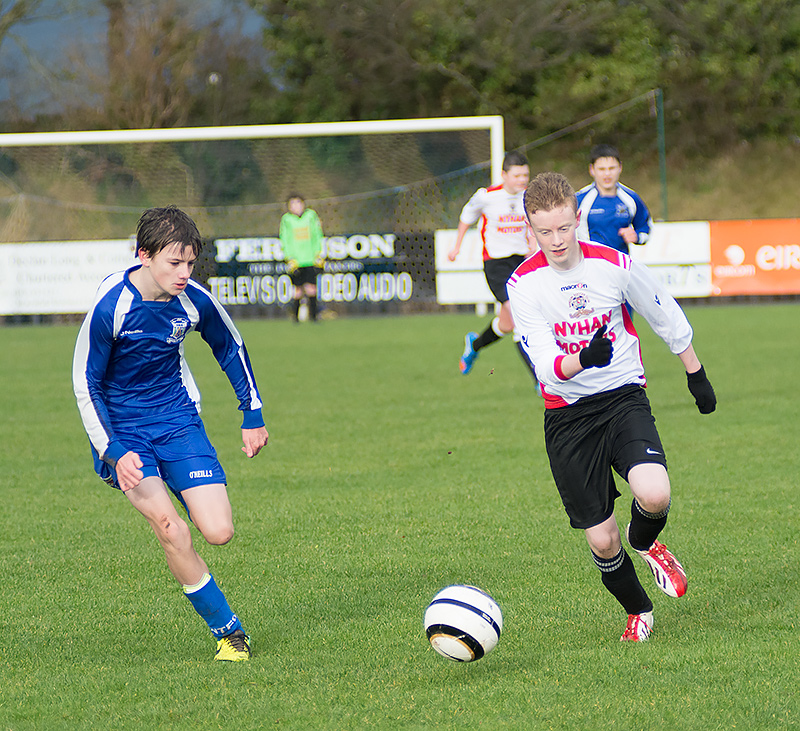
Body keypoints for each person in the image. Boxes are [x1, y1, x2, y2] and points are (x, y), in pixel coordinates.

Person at [507, 172, 716, 642]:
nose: (557, 240)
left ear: (577, 218)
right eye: (545, 232)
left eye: (564, 228)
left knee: (655, 493)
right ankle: (639, 610)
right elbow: (543, 365)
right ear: (530, 230)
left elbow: (661, 309)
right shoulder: (523, 285)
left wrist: (695, 371)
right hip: (567, 415)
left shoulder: (612, 264)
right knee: (602, 539)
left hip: (623, 397)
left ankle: (646, 541)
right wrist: (582, 358)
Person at [72, 205, 269, 662]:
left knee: (218, 531)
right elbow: (86, 382)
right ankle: (229, 632)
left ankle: (181, 484)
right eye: (173, 263)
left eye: (190, 263)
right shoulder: (112, 306)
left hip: (177, 419)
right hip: (123, 431)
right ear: (144, 255)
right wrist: (112, 449)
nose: (184, 273)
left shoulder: (192, 299)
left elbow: (230, 346)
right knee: (171, 529)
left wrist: (252, 413)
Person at [448, 151, 537, 382]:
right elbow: (467, 216)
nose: (522, 180)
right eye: (517, 175)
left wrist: (534, 244)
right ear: (503, 175)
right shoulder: (486, 196)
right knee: (519, 319)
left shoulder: (529, 197)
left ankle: (474, 345)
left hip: (521, 263)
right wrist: (456, 246)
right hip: (496, 265)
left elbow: (535, 226)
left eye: (525, 175)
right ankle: (540, 381)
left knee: (506, 324)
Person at [575, 144, 653, 256]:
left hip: (621, 266)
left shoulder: (631, 198)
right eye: (601, 169)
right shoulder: (579, 200)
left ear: (620, 167)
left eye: (611, 168)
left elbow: (646, 227)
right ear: (592, 170)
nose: (607, 174)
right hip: (589, 266)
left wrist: (637, 237)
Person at [280, 193, 324, 323]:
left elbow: (317, 235)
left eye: (297, 203)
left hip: (310, 258)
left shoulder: (311, 216)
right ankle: (296, 319)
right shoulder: (286, 219)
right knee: (297, 290)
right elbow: (285, 239)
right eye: (292, 204)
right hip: (296, 260)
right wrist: (289, 257)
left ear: (303, 204)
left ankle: (314, 317)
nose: (295, 207)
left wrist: (318, 253)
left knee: (311, 288)